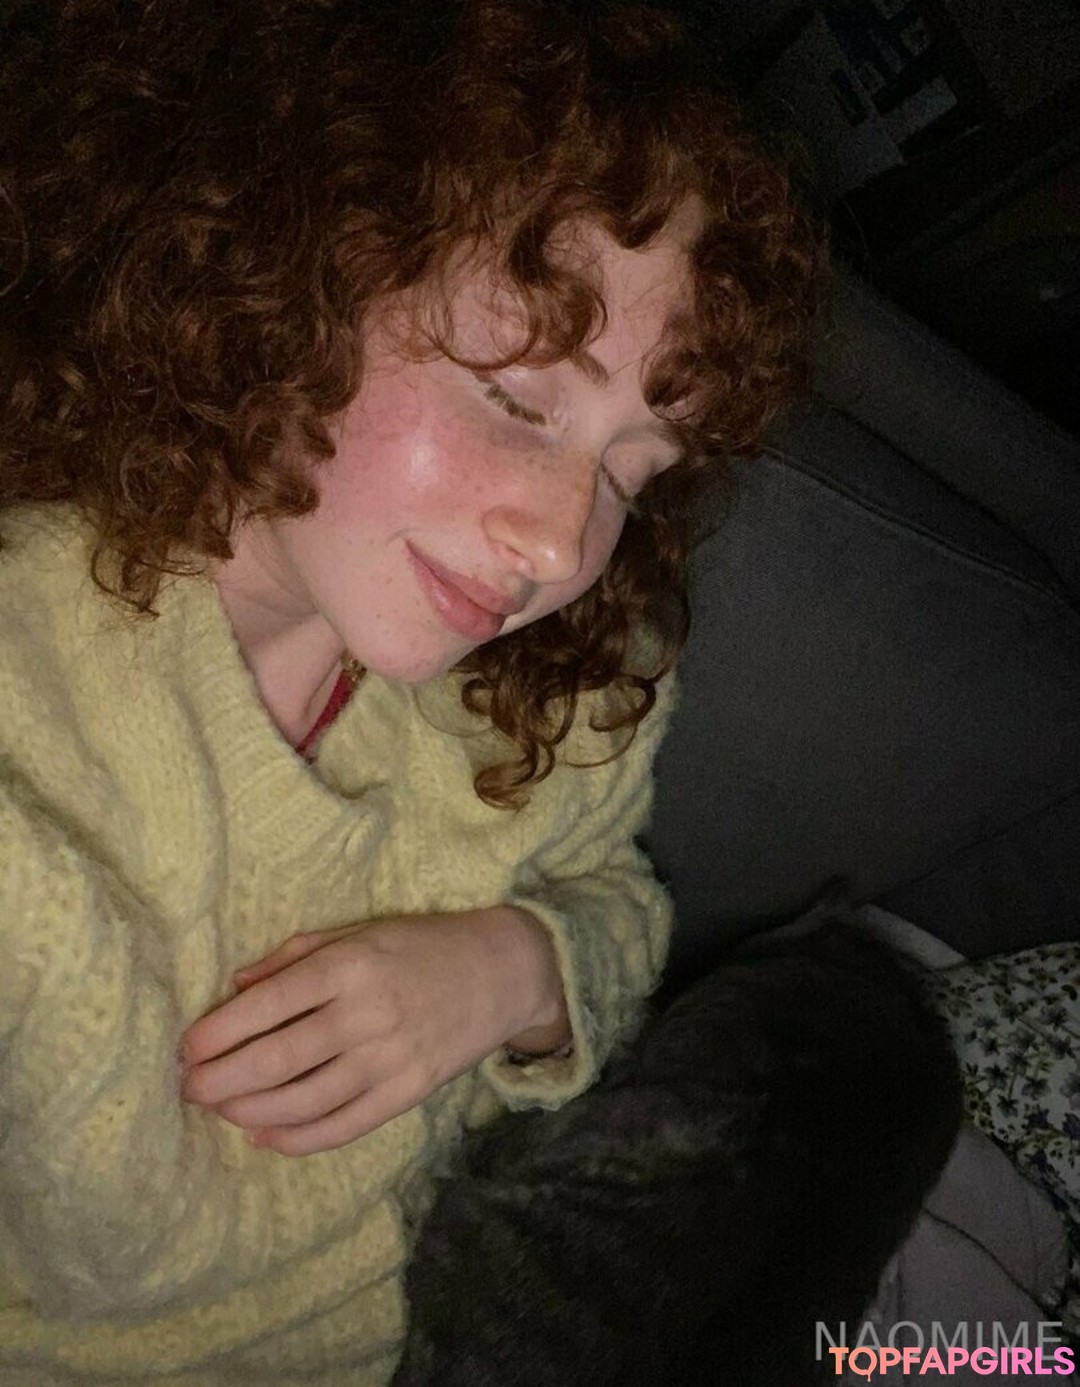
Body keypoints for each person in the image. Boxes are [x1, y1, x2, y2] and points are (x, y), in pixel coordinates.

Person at [0, 1, 817, 1383]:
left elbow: (619, 906)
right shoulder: (34, 700)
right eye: (519, 401)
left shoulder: (554, 697)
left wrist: (510, 971)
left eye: (632, 471)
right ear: (285, 272)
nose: (560, 545)